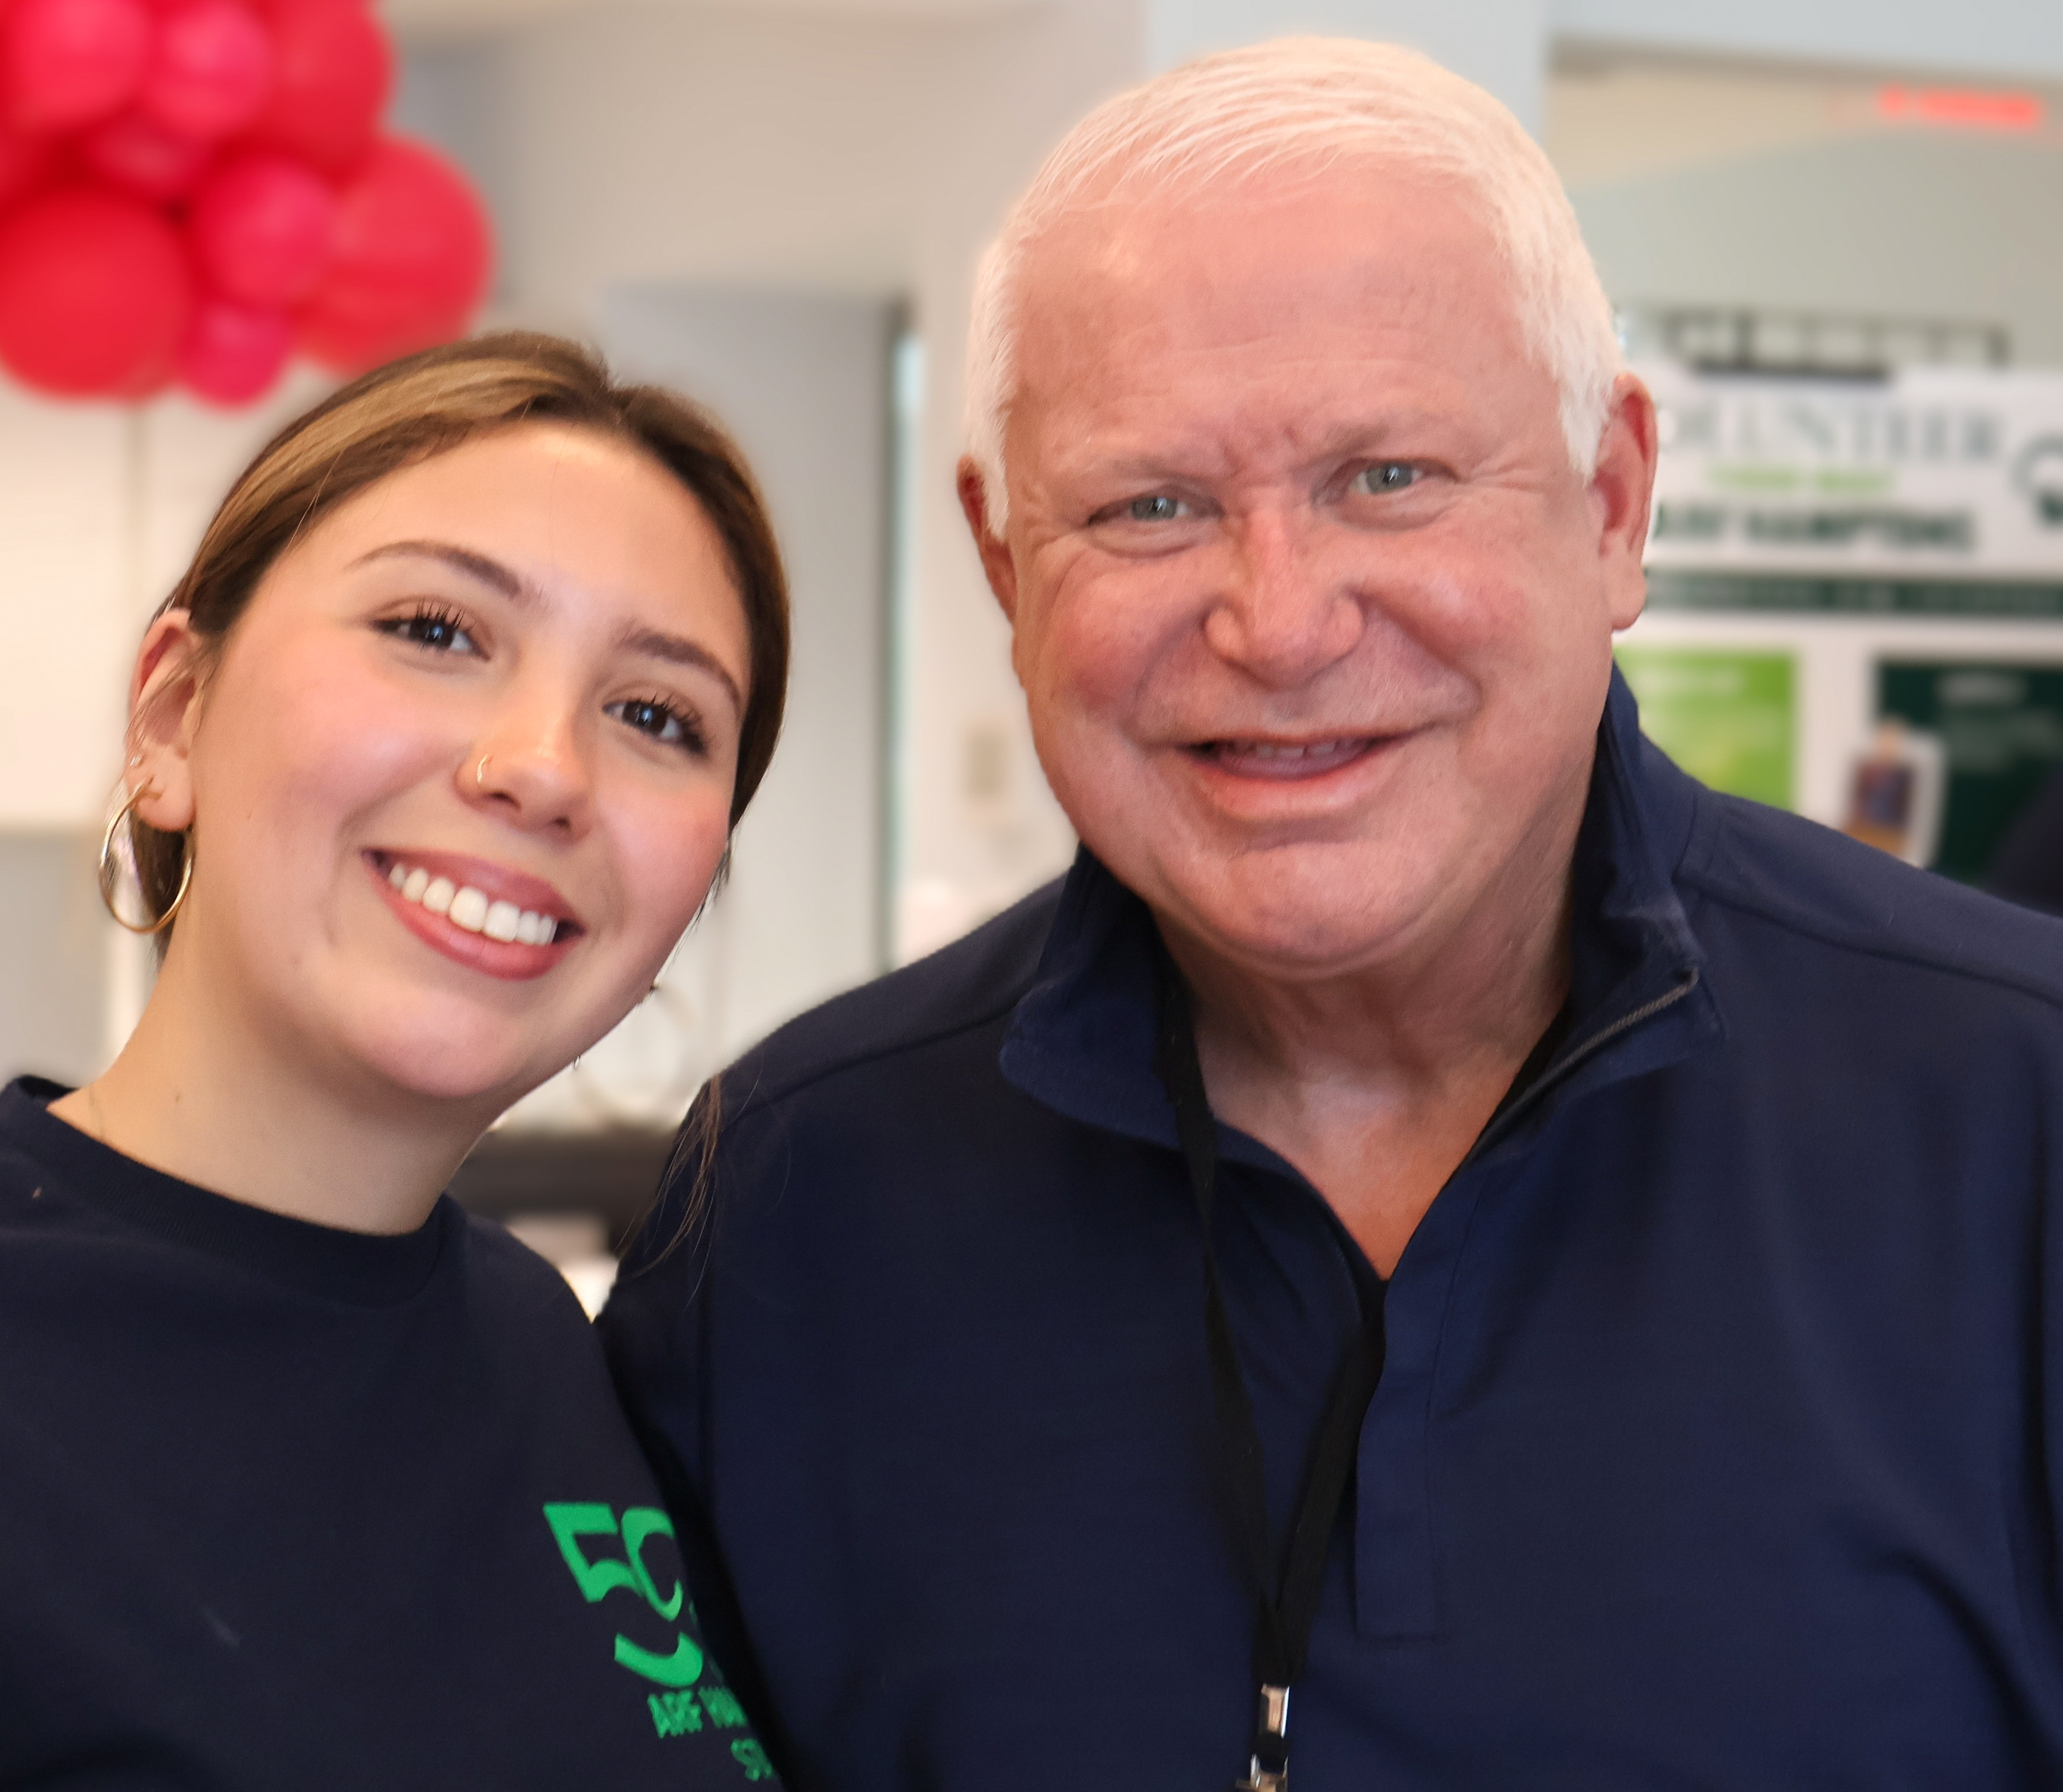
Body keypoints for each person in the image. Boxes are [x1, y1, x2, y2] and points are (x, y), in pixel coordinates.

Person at [600, 38, 2063, 1792]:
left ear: (1610, 500)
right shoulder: (787, 1203)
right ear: (1003, 563)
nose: (1278, 624)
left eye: (1389, 478)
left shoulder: (2017, 1122)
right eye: (1151, 506)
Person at [0, 334, 787, 1790]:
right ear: (171, 717)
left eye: (658, 716)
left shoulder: (541, 1346)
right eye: (435, 629)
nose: (543, 767)